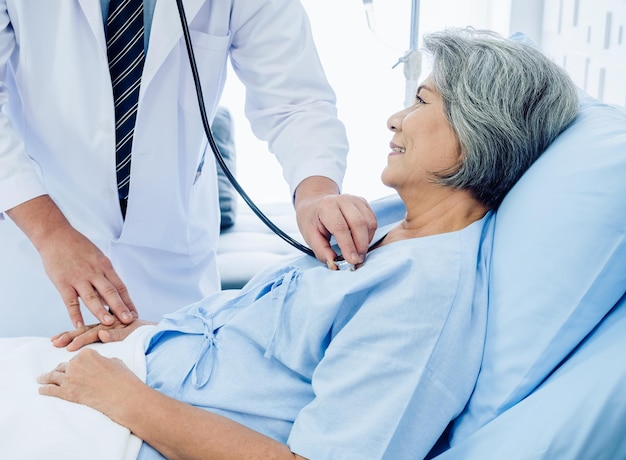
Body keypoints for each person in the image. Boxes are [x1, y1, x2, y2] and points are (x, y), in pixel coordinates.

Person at [3, 28, 579, 460]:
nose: (394, 117)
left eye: (422, 102)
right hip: (128, 373)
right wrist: (148, 337)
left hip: (126, 431)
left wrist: (122, 397)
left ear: (477, 134)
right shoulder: (387, 228)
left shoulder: (423, 294)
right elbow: (271, 352)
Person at [0, 0, 377, 332]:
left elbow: (295, 100)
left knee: (165, 399)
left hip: (168, 263)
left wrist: (316, 192)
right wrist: (49, 231)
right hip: (33, 253)